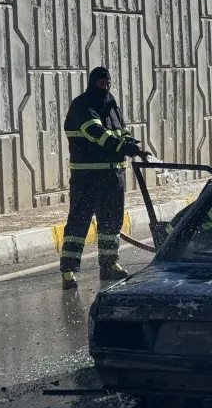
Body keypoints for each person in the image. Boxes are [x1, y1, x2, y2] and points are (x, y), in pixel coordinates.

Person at [60, 66, 149, 288]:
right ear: (93, 83)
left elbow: (121, 130)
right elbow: (97, 134)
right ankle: (69, 270)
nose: (106, 87)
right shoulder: (82, 105)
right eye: (102, 83)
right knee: (79, 223)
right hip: (88, 176)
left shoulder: (111, 104)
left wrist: (132, 143)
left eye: (108, 83)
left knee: (111, 222)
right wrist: (124, 147)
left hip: (113, 175)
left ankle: (110, 264)